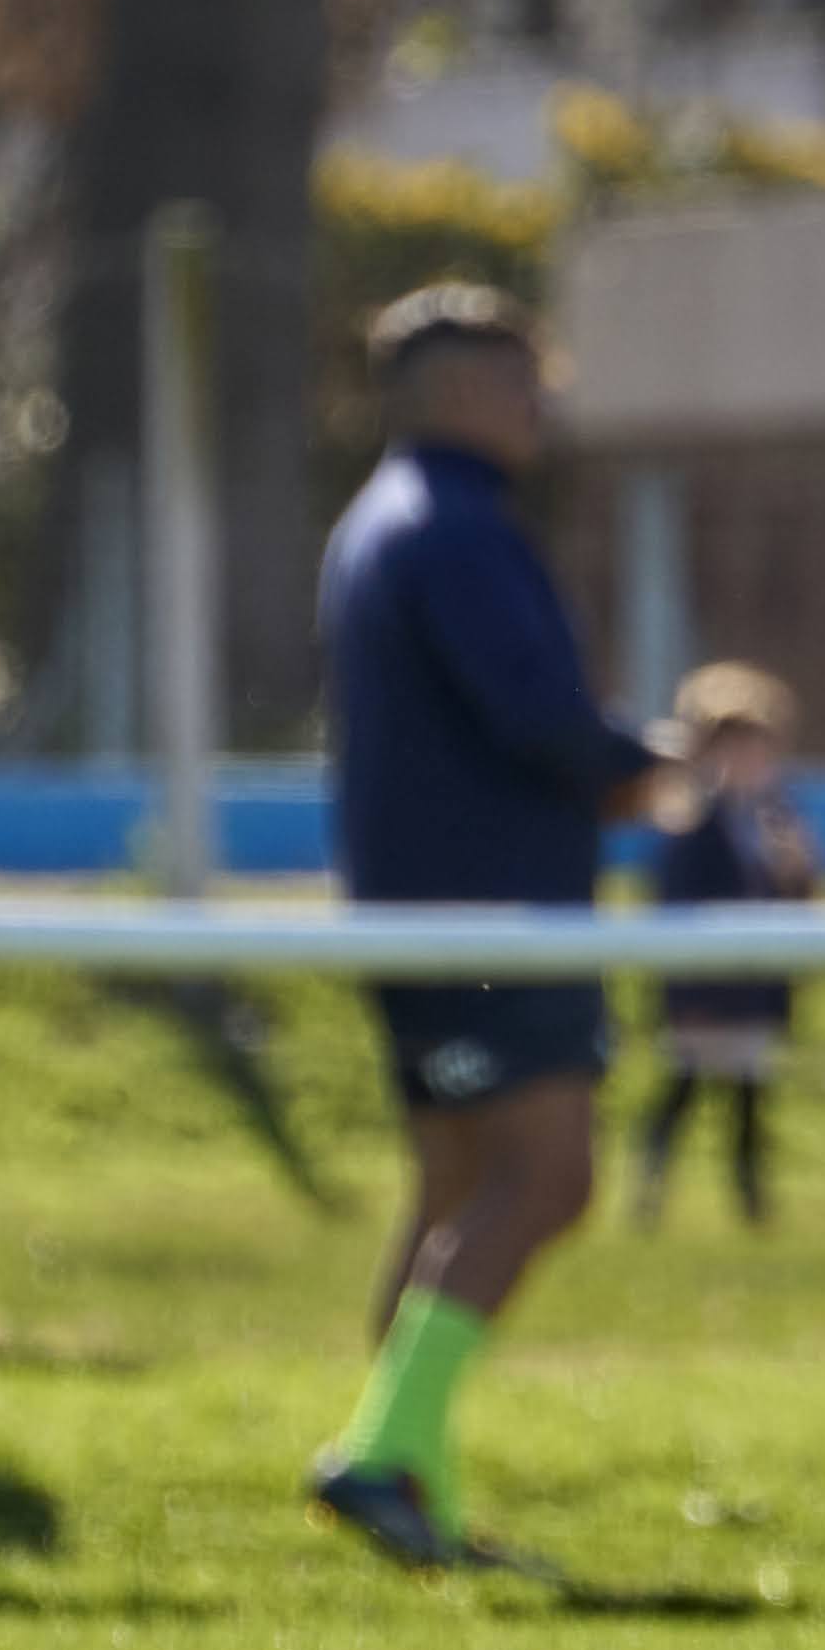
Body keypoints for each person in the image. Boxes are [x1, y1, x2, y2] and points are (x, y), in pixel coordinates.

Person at [310, 283, 683, 1571]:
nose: (544, 404)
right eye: (526, 380)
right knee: (546, 1177)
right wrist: (651, 765)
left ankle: (415, 1495)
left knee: (458, 1188)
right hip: (489, 922)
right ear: (466, 391)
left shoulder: (381, 520)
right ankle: (378, 1455)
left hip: (414, 912)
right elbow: (538, 719)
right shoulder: (456, 530)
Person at [630, 659, 821, 1229]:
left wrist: (797, 870)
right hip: (705, 984)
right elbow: (674, 906)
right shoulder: (691, 824)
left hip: (754, 984)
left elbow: (797, 897)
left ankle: (751, 1202)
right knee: (683, 1089)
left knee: (749, 1100)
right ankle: (650, 1190)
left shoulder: (777, 820)